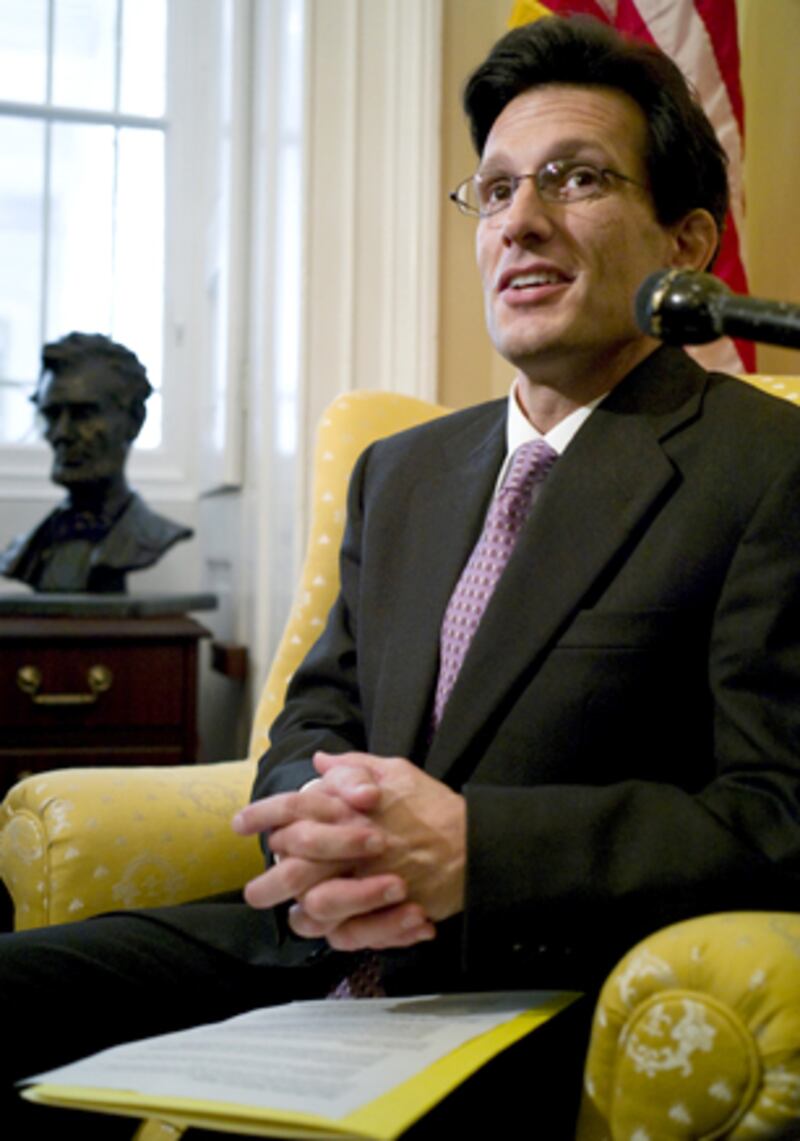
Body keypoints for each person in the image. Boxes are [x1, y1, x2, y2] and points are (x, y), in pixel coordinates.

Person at [2, 16, 799, 1139]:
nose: (519, 220)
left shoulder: (763, 467)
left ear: (688, 242)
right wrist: (321, 826)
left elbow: (775, 813)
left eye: (575, 179)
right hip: (300, 943)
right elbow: (317, 709)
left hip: (535, 975)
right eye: (495, 188)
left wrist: (481, 851)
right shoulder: (402, 470)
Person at [0, 332, 192, 593]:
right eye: (52, 415)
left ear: (135, 420)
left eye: (83, 414)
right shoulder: (25, 552)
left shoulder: (152, 536)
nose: (62, 433)